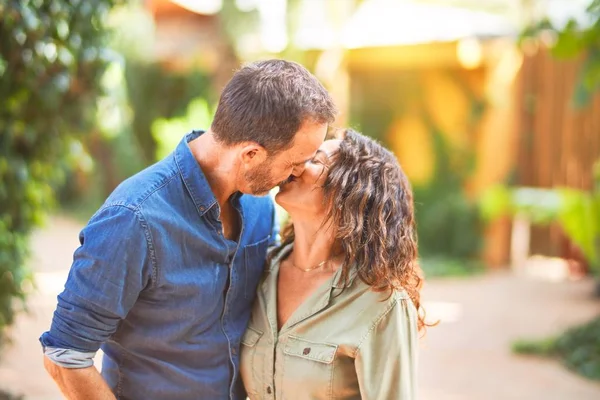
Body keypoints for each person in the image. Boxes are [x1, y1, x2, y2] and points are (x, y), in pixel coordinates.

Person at [40, 59, 337, 400]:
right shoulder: (133, 219)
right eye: (294, 163)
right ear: (251, 153)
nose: (299, 174)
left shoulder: (261, 206)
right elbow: (65, 356)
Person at [240, 129, 424, 400]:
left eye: (315, 160)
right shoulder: (259, 272)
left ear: (350, 190)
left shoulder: (381, 302)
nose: (297, 164)